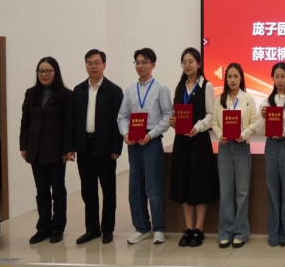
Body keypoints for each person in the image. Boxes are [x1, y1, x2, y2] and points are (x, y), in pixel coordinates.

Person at [64, 49, 124, 245]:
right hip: (84, 146)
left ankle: (107, 229)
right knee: (88, 190)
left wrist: (116, 146)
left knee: (108, 190)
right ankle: (92, 229)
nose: (93, 66)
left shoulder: (114, 91)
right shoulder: (78, 90)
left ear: (104, 65)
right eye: (89, 63)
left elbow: (119, 121)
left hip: (106, 147)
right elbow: (71, 121)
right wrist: (70, 147)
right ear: (85, 66)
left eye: (97, 63)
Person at [117, 48, 173, 245]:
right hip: (133, 142)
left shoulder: (161, 88)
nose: (140, 66)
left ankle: (159, 228)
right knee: (135, 187)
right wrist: (125, 133)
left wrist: (151, 134)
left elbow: (167, 116)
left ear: (153, 65)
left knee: (153, 187)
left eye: (144, 62)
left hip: (151, 141)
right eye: (137, 62)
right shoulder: (130, 90)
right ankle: (141, 228)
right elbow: (122, 116)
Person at [168, 48, 219, 247]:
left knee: (199, 183)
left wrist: (196, 128)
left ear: (199, 64)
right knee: (185, 183)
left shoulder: (206, 86)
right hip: (182, 142)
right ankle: (188, 228)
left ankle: (199, 228)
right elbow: (177, 113)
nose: (187, 65)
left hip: (199, 142)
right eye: (184, 62)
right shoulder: (180, 87)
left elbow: (211, 115)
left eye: (191, 61)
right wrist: (173, 121)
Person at [20, 57, 72, 244]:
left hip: (57, 150)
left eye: (48, 71)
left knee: (58, 191)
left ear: (55, 72)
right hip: (35, 149)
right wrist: (23, 145)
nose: (43, 74)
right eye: (40, 71)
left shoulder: (66, 95)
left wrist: (68, 148)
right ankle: (43, 228)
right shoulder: (31, 93)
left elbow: (69, 124)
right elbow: (25, 121)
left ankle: (57, 228)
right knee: (41, 191)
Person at [254, 62, 285, 247]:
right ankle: (274, 235)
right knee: (273, 191)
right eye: (277, 76)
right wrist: (262, 117)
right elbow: (259, 130)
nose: (280, 80)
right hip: (270, 147)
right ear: (272, 78)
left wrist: (283, 131)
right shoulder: (266, 102)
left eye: (283, 76)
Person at [212, 63, 257, 248]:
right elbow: (214, 123)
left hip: (241, 148)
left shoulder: (248, 99)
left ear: (241, 78)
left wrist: (244, 134)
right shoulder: (219, 100)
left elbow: (254, 122)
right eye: (229, 76)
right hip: (224, 148)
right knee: (226, 191)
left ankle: (240, 232)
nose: (232, 80)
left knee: (242, 191)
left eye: (235, 76)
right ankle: (225, 232)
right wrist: (219, 134)